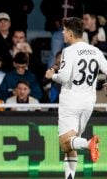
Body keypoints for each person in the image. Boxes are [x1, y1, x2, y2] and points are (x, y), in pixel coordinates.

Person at [45, 17, 106, 179]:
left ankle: (89, 143)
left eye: (65, 30)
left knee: (65, 142)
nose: (63, 33)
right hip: (88, 103)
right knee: (71, 142)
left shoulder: (69, 51)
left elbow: (64, 77)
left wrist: (52, 75)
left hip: (71, 101)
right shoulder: (95, 51)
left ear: (70, 34)